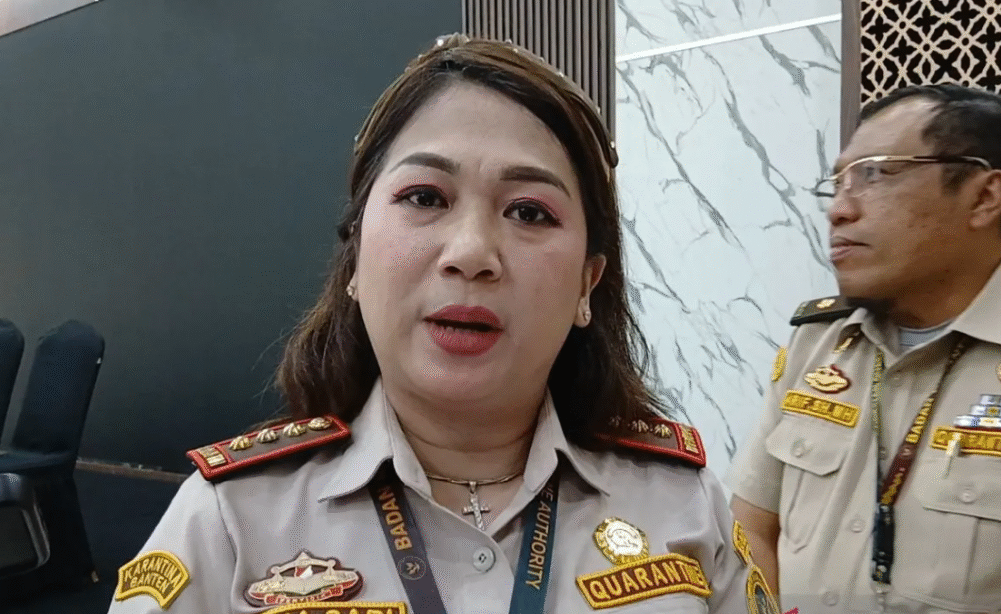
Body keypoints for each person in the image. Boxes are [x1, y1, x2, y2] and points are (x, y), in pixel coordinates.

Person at [108, 34, 775, 614]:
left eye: (530, 212)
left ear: (586, 285)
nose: (472, 252)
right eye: (425, 197)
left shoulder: (687, 508)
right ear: (355, 262)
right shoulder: (228, 523)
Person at [728, 83, 1001, 613]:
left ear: (984, 197)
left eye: (874, 174)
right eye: (837, 183)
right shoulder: (819, 344)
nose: (839, 210)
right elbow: (753, 526)